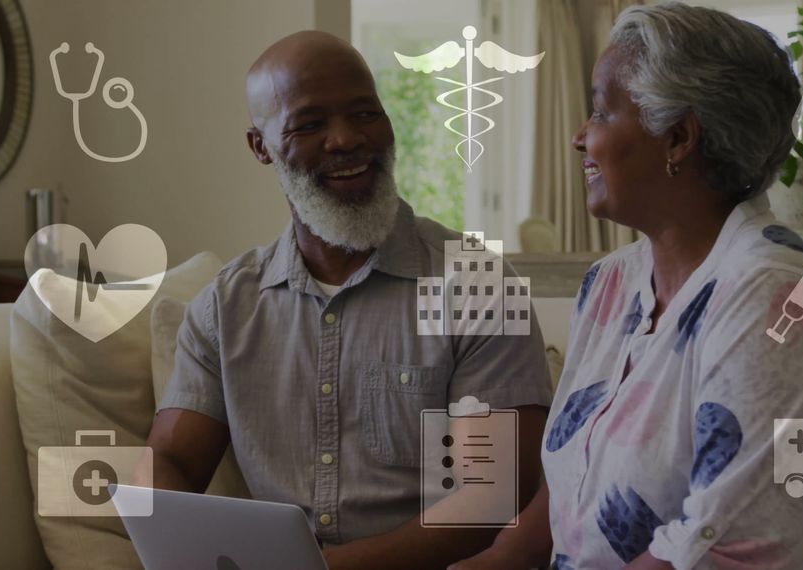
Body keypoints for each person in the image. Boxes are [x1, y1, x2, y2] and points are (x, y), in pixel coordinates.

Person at [452, 3, 803, 569]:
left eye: (600, 112)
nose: (578, 137)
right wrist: (492, 559)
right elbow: (574, 476)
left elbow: (731, 549)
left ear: (678, 139)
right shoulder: (610, 283)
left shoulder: (777, 298)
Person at [137, 31, 552, 569]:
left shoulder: (478, 284)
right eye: (309, 124)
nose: (346, 140)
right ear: (260, 147)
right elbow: (168, 458)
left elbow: (491, 498)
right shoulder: (225, 307)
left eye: (365, 114)